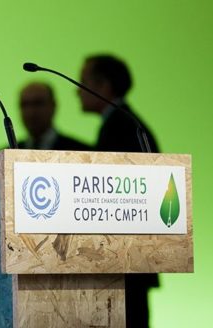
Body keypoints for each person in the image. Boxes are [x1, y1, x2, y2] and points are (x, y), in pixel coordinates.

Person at [78, 54, 159, 328]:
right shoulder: (123, 123)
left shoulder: (122, 127)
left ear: (104, 86)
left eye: (83, 81)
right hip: (127, 262)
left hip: (125, 265)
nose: (77, 89)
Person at [18, 81, 90, 150]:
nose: (31, 111)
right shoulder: (9, 154)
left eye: (38, 103)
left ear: (53, 105)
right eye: (24, 105)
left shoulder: (81, 152)